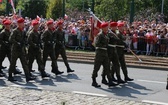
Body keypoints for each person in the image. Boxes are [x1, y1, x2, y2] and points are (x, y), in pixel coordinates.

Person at [8, 17, 36, 82]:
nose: (23, 24)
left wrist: (25, 42)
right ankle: (10, 76)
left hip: (21, 50)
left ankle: (27, 76)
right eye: (22, 23)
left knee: (25, 63)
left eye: (23, 23)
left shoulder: (23, 31)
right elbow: (10, 39)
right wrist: (17, 43)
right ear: (19, 24)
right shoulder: (15, 31)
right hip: (15, 50)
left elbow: (25, 39)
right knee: (13, 63)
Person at [91, 22, 117, 87]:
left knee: (107, 67)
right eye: (106, 27)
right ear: (102, 28)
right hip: (100, 53)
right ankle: (94, 80)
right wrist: (105, 45)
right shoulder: (100, 35)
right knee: (97, 68)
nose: (107, 28)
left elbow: (115, 38)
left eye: (107, 27)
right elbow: (96, 44)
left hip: (105, 53)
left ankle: (110, 81)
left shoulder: (106, 35)